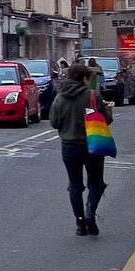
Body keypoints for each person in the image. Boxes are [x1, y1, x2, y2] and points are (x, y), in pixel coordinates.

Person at [49, 63, 111, 236]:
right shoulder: (92, 96)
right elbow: (105, 120)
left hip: (69, 146)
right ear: (84, 78)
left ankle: (80, 222)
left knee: (74, 184)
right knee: (96, 183)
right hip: (93, 145)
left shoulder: (60, 97)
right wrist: (108, 111)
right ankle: (90, 213)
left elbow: (54, 122)